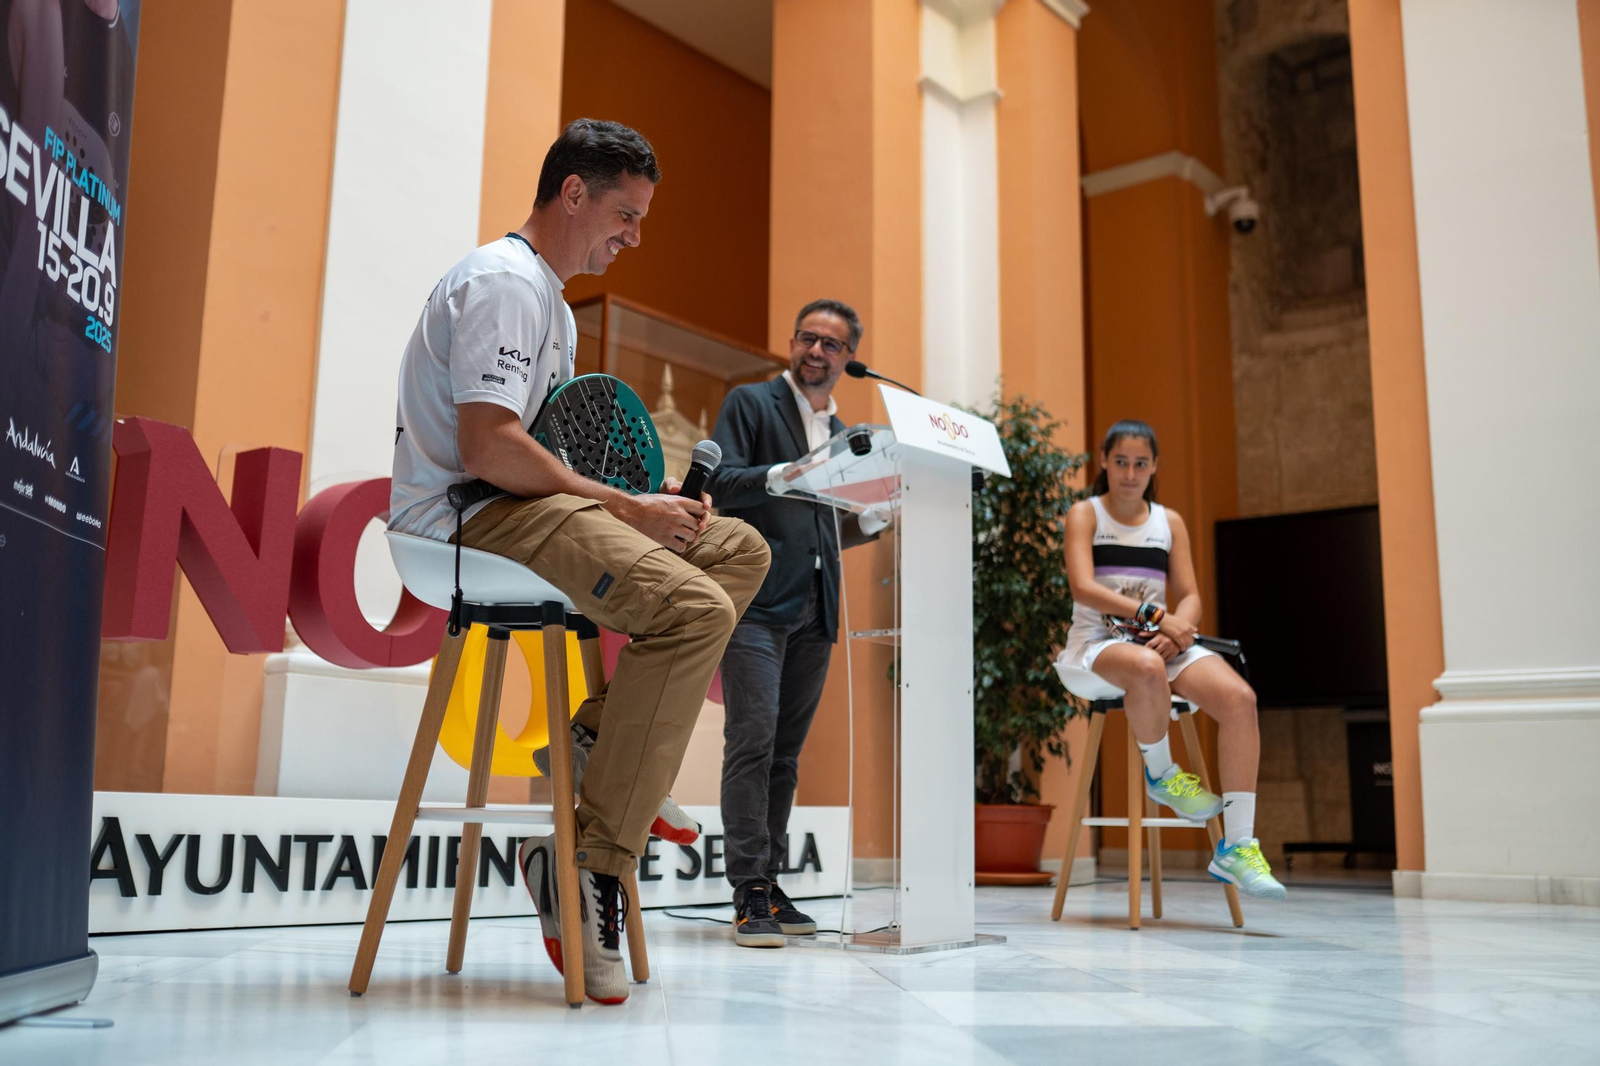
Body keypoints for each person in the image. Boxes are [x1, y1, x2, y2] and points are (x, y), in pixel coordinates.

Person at [388, 119, 771, 1003]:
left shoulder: (551, 303)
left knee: (737, 551)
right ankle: (593, 864)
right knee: (696, 609)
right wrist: (626, 507)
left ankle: (594, 744)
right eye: (625, 216)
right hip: (463, 521)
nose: (634, 237)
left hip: (531, 505)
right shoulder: (501, 284)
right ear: (573, 194)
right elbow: (491, 448)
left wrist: (653, 505)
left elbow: (551, 453)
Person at [704, 299, 891, 947]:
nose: (817, 352)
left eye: (831, 345)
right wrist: (787, 473)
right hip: (755, 604)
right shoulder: (752, 404)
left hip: (817, 609)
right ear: (792, 342)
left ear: (848, 359)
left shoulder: (845, 435)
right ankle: (748, 889)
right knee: (751, 744)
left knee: (785, 756)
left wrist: (870, 517)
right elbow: (724, 485)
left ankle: (772, 883)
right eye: (808, 339)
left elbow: (821, 527)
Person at [1057, 420, 1286, 900]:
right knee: (1146, 667)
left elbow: (1192, 597)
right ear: (1103, 461)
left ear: (1154, 466)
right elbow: (1084, 588)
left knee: (1241, 699)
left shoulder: (1169, 522)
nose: (1129, 473)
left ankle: (1237, 847)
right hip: (1097, 645)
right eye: (1120, 462)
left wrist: (1177, 635)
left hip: (1162, 646)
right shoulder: (1086, 514)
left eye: (1141, 463)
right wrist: (1157, 617)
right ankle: (1162, 775)